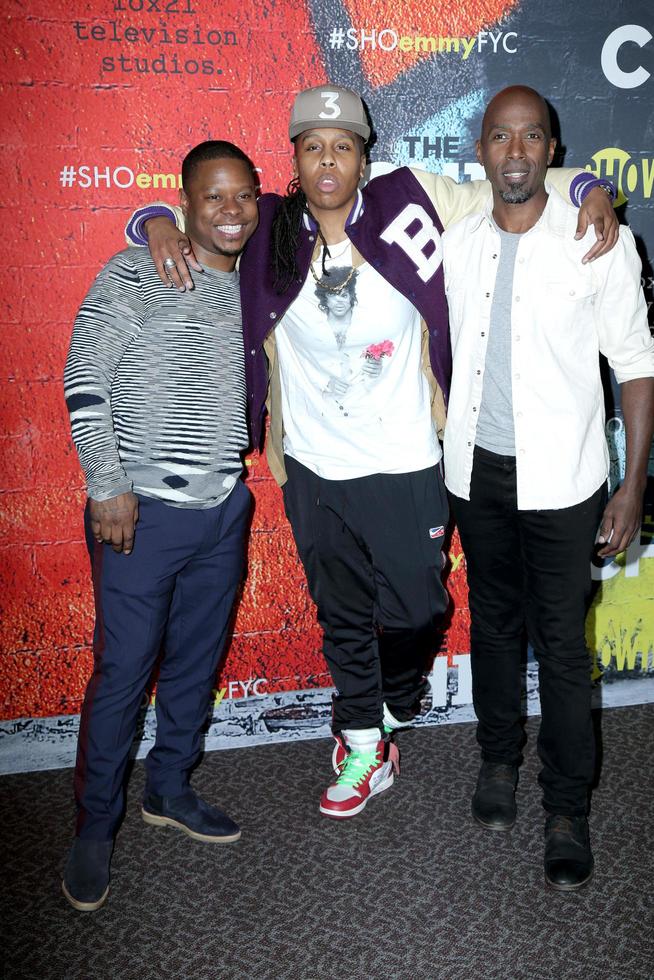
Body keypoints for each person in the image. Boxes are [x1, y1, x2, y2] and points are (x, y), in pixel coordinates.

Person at [125, 84, 618, 821]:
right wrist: (154, 219)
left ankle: (391, 700)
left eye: (345, 146)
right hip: (316, 467)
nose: (329, 160)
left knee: (421, 608)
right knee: (343, 612)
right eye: (314, 146)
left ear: (365, 156)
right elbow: (196, 227)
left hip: (409, 457)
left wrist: (585, 185)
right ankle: (362, 743)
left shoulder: (409, 199)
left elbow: (511, 176)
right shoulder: (267, 237)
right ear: (293, 158)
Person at [442, 86, 654, 890]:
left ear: (553, 147)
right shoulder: (459, 240)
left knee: (563, 648)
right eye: (502, 136)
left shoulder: (597, 237)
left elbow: (635, 365)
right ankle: (498, 760)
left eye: (533, 136)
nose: (518, 151)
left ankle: (567, 805)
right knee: (494, 628)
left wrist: (632, 486)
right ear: (483, 148)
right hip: (476, 473)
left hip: (567, 480)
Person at [62, 140, 259, 911]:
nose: (232, 210)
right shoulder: (139, 269)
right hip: (140, 513)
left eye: (242, 195)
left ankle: (168, 789)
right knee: (123, 674)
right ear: (185, 203)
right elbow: (84, 377)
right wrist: (107, 485)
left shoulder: (256, 285)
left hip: (223, 509)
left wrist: (150, 219)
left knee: (193, 665)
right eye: (213, 197)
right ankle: (93, 827)